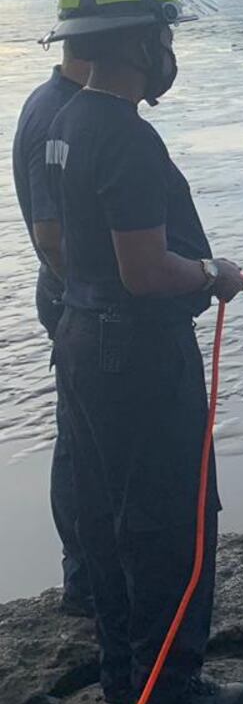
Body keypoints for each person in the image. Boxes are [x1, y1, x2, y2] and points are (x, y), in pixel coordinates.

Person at [43, 0, 243, 704]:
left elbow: (72, 252)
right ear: (136, 43)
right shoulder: (126, 139)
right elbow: (143, 270)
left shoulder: (66, 121)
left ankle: (122, 679)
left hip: (84, 343)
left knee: (106, 516)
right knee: (169, 519)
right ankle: (168, 693)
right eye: (163, 34)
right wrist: (212, 272)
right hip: (136, 355)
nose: (170, 49)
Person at [11, 42, 92, 615]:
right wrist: (104, 300)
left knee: (84, 438)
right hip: (74, 305)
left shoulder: (63, 104)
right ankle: (85, 578)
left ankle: (88, 573)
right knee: (84, 444)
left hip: (72, 301)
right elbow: (50, 237)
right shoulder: (56, 115)